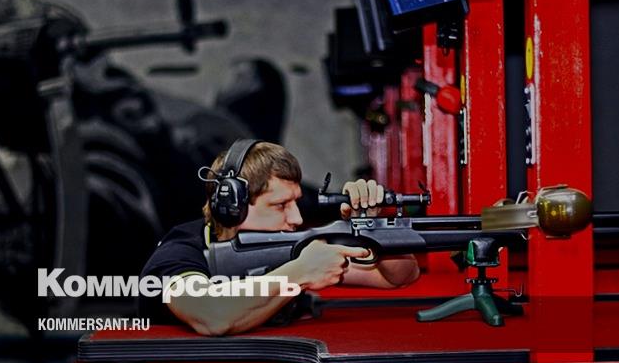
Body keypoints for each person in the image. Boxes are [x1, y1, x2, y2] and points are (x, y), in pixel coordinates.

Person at [138, 140, 420, 336]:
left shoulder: (282, 245)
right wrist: (300, 273)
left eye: (295, 202)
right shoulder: (178, 255)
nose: (296, 218)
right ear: (232, 206)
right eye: (280, 205)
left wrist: (373, 229)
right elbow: (214, 316)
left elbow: (397, 277)